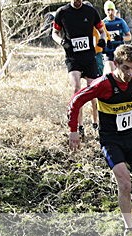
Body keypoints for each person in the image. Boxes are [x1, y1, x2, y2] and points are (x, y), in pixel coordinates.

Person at [66, 45, 132, 236]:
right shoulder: (104, 84)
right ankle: (129, 230)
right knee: (124, 183)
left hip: (131, 137)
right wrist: (74, 130)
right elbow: (76, 101)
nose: (130, 73)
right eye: (126, 68)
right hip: (111, 140)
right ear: (116, 64)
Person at [52, 0, 107, 136]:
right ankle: (79, 125)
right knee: (76, 88)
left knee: (93, 89)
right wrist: (62, 42)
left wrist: (102, 39)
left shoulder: (91, 11)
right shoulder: (62, 12)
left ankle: (96, 123)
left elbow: (102, 30)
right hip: (72, 57)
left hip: (89, 57)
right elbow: (54, 33)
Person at [102, 1, 132, 73]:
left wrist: (121, 38)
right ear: (105, 11)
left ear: (114, 10)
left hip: (120, 51)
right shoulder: (103, 23)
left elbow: (129, 37)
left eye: (112, 10)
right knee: (111, 71)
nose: (110, 12)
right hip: (108, 51)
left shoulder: (121, 22)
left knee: (120, 72)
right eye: (108, 10)